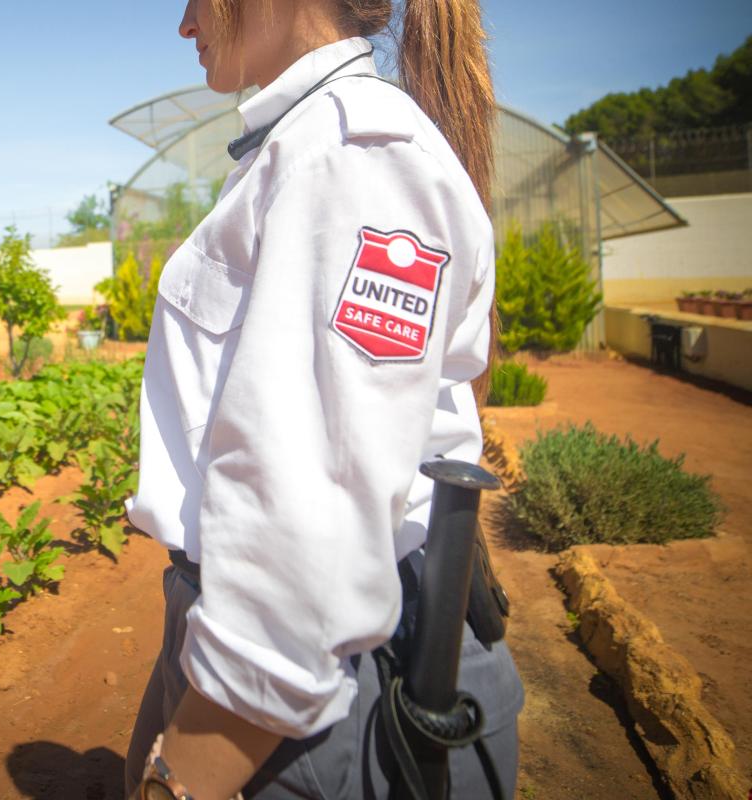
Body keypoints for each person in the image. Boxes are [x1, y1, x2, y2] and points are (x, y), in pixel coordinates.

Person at [122, 1, 526, 798]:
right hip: (267, 671)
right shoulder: (308, 146)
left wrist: (182, 779)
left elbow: (309, 545)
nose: (184, 24)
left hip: (310, 704)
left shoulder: (353, 156)